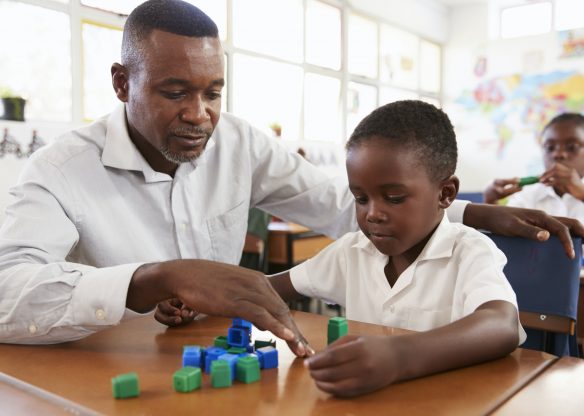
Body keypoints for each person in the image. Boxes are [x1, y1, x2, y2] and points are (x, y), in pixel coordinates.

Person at [0, 0, 580, 348]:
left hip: (207, 363)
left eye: (213, 92)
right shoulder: (59, 171)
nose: (200, 115)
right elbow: (6, 293)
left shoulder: (238, 142)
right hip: (99, 377)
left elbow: (338, 201)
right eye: (175, 92)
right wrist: (152, 280)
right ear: (123, 83)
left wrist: (470, 211)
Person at [268, 101, 526, 397]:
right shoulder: (352, 251)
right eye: (360, 198)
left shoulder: (469, 251)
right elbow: (267, 290)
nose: (373, 213)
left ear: (445, 194)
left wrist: (399, 357)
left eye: (394, 197)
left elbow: (502, 324)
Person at [484, 113, 584, 227]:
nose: (558, 154)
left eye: (572, 147)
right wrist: (490, 203)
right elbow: (505, 236)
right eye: (550, 148)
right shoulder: (527, 195)